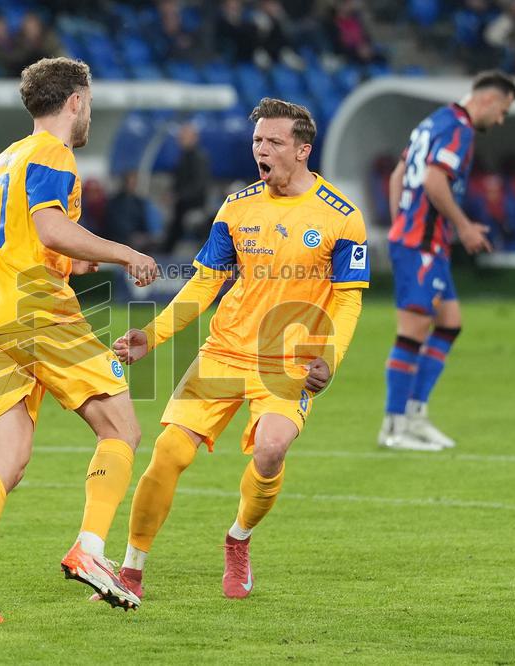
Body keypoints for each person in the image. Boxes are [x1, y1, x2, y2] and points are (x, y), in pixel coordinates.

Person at [107, 98, 369, 601]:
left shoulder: (342, 217)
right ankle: (130, 568)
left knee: (271, 450)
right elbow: (205, 284)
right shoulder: (237, 206)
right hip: (225, 352)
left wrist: (330, 357)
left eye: (273, 142)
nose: (261, 150)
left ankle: (239, 538)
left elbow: (348, 301)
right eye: (256, 142)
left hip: (289, 363)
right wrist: (153, 335)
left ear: (302, 150)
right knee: (167, 453)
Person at [0, 57, 159, 623]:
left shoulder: (2, 162)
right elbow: (52, 227)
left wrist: (65, 264)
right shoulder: (54, 154)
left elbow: (1, 245)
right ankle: (92, 549)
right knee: (121, 427)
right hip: (34, 313)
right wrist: (124, 252)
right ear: (76, 100)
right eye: (90, 101)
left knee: (7, 456)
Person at [381, 71, 515, 451]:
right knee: (413, 330)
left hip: (424, 242)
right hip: (421, 245)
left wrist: (399, 224)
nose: (501, 120)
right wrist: (465, 228)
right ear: (489, 101)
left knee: (450, 323)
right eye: (503, 111)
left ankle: (415, 414)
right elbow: (433, 181)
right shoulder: (459, 129)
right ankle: (394, 426)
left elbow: (397, 176)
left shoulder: (433, 122)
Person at [162, 123, 211, 254]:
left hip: (194, 206)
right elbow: (178, 181)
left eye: (184, 136)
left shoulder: (199, 158)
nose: (180, 139)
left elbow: (199, 186)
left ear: (194, 138)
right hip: (180, 206)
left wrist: (178, 196)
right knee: (171, 230)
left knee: (178, 229)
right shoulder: (182, 157)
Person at [104, 171, 154, 252]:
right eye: (130, 182)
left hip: (136, 237)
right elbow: (114, 224)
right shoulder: (114, 202)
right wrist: (130, 235)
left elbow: (143, 222)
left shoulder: (139, 202)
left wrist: (144, 235)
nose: (132, 185)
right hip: (119, 238)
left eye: (134, 183)